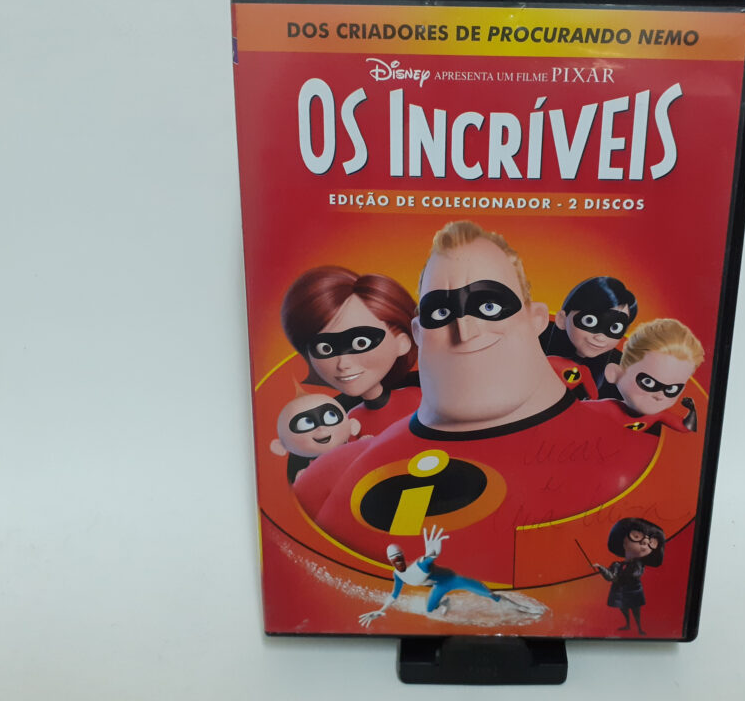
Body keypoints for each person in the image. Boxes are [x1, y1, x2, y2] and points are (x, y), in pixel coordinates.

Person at [293, 221, 657, 586]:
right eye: (441, 312)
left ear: (535, 319)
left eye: (489, 305)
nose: (465, 331)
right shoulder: (330, 479)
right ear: (418, 333)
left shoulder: (636, 451)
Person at [280, 266, 421, 436]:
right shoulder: (350, 420)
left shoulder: (418, 398)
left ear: (403, 343)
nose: (343, 364)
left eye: (361, 343)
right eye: (325, 348)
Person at [358, 526, 512, 627]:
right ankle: (445, 602)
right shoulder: (398, 575)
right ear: (390, 561)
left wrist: (433, 553)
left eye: (399, 558)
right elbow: (394, 595)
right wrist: (381, 609)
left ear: (403, 556)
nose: (398, 562)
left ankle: (520, 607)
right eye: (394, 560)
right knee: (430, 610)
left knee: (491, 595)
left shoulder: (419, 565)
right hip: (439, 586)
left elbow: (428, 559)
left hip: (454, 580)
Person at [540, 276, 637, 399]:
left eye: (615, 328)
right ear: (561, 319)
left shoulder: (619, 377)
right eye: (589, 321)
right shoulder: (534, 345)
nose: (600, 338)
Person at [603, 318, 704, 435]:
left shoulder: (658, 415)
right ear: (614, 373)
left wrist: (692, 409)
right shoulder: (607, 407)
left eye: (671, 389)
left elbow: (685, 427)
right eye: (648, 382)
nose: (659, 396)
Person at [593, 518, 666, 635]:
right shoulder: (617, 565)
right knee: (623, 607)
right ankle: (627, 624)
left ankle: (639, 628)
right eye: (636, 536)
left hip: (633, 591)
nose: (645, 542)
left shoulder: (638, 565)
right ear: (623, 542)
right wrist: (601, 568)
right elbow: (611, 577)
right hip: (620, 592)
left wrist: (618, 577)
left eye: (651, 542)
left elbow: (634, 575)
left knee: (636, 609)